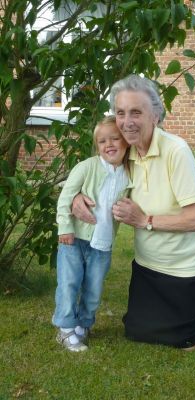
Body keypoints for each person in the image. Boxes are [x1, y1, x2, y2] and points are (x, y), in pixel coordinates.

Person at [72, 75, 195, 351]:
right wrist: (77, 196)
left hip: (188, 266)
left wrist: (144, 220)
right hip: (149, 266)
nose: (127, 121)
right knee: (137, 331)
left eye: (136, 112)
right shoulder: (124, 153)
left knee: (190, 341)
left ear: (156, 115)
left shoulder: (176, 151)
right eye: (120, 113)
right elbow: (92, 177)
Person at [52, 115, 132, 352]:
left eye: (115, 139)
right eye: (102, 141)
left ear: (126, 142)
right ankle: (65, 328)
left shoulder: (129, 175)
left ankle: (84, 325)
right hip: (74, 240)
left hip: (102, 244)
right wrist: (65, 227)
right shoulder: (87, 167)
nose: (109, 144)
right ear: (96, 146)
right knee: (69, 283)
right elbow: (66, 197)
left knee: (94, 289)